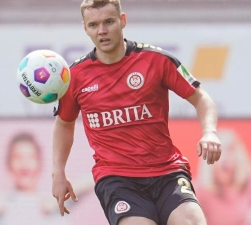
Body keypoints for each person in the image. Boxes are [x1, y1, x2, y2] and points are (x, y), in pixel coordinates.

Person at [51, 1, 222, 225]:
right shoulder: (75, 76)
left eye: (108, 22)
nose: (102, 31)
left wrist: (209, 132)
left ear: (122, 20)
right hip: (117, 178)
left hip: (167, 172)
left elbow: (201, 98)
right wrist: (58, 172)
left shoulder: (158, 60)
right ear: (85, 29)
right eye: (93, 25)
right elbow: (64, 124)